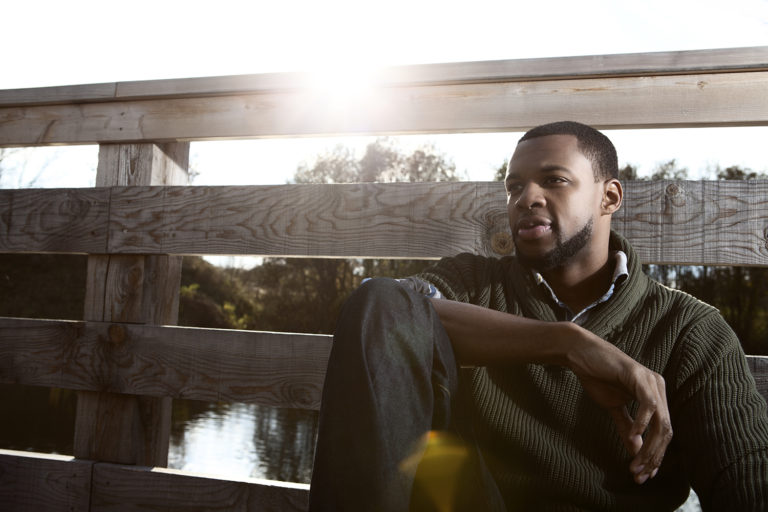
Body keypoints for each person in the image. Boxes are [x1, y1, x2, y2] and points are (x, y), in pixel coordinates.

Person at [308, 121, 768, 511]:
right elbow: (383, 309)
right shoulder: (471, 284)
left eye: (553, 180)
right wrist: (567, 344)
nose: (525, 197)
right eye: (514, 185)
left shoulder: (690, 330)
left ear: (609, 197)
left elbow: (746, 484)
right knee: (381, 301)